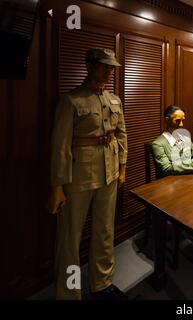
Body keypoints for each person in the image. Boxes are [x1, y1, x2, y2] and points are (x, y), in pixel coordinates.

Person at [47, 48, 128, 300]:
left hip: (109, 175)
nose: (109, 71)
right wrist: (57, 187)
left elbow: (122, 135)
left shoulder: (114, 100)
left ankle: (102, 284)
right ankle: (69, 294)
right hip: (79, 179)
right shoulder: (71, 100)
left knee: (105, 232)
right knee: (70, 240)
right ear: (90, 65)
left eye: (112, 66)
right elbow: (60, 146)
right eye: (105, 66)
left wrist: (122, 167)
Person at [152, 105, 193, 176]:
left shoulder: (187, 139)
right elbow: (167, 168)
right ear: (167, 120)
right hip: (170, 183)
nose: (182, 125)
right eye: (178, 121)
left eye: (183, 120)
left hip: (190, 178)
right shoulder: (158, 144)